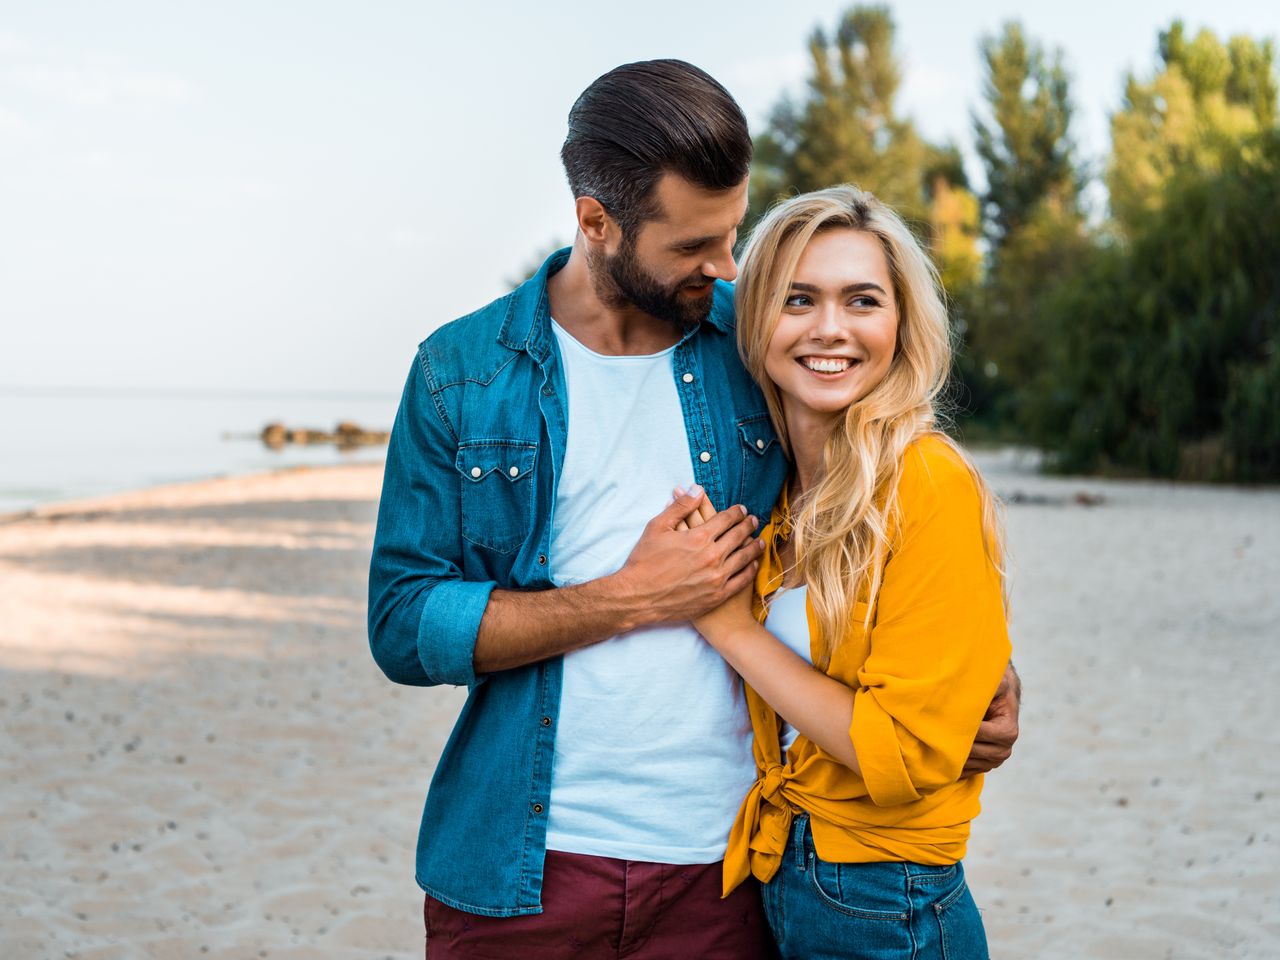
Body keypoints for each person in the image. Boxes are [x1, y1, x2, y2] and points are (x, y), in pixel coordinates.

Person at [367, 60, 1019, 959]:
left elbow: (872, 516)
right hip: (521, 867)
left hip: (734, 866)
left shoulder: (754, 350)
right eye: (692, 248)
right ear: (596, 222)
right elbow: (402, 625)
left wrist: (973, 677)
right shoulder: (461, 374)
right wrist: (631, 597)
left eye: (733, 234)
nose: (726, 268)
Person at [682, 185, 1013, 960]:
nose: (829, 329)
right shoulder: (785, 496)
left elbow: (900, 748)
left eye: (861, 300)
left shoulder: (924, 480)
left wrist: (729, 627)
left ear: (900, 325)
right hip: (796, 874)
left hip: (885, 897)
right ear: (756, 318)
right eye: (798, 299)